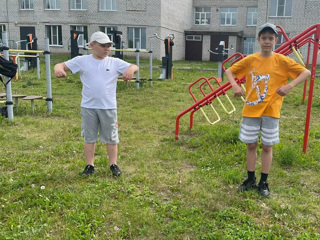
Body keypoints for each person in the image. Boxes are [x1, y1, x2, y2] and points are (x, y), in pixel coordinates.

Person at [225, 22, 311, 197]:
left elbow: (306, 72)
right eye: (263, 38)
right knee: (251, 145)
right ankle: (250, 179)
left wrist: (290, 86)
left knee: (266, 146)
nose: (267, 41)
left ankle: (264, 182)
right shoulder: (251, 60)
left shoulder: (282, 61)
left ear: (275, 40)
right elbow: (229, 70)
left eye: (270, 38)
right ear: (258, 40)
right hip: (251, 110)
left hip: (271, 111)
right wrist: (234, 85)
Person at [54, 31, 139, 177]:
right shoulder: (82, 61)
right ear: (92, 45)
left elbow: (134, 66)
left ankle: (113, 164)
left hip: (108, 107)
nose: (107, 49)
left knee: (111, 137)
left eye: (109, 46)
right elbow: (61, 64)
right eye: (103, 46)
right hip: (88, 107)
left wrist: (130, 70)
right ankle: (89, 165)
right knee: (89, 137)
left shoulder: (114, 62)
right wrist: (58, 69)